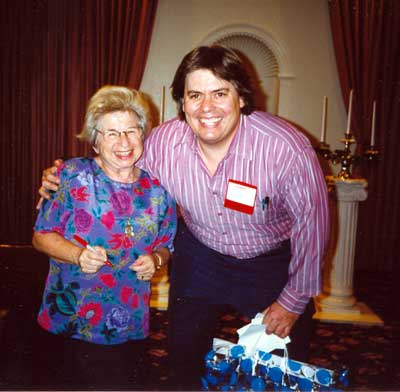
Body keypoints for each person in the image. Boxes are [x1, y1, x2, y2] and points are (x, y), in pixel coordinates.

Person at [38, 45, 329, 390]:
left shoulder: (286, 148)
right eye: (195, 95)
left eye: (220, 93)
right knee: (183, 360)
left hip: (269, 260)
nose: (206, 107)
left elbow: (313, 225)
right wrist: (59, 176)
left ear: (241, 97)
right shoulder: (163, 143)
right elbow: (117, 165)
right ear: (183, 102)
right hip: (201, 254)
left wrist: (292, 302)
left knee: (283, 358)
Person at [33, 85, 177, 390]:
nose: (123, 142)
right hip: (70, 321)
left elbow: (167, 245)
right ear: (96, 141)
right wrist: (77, 255)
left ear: (142, 135)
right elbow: (41, 236)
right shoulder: (71, 176)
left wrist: (156, 259)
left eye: (131, 131)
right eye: (111, 133)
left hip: (128, 325)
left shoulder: (157, 192)